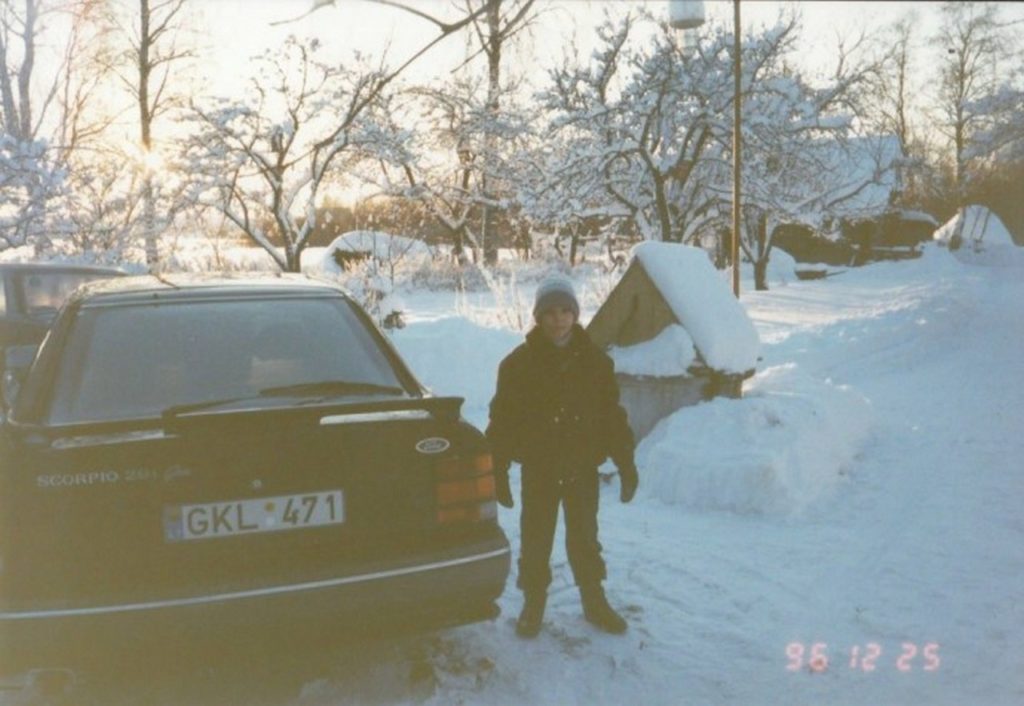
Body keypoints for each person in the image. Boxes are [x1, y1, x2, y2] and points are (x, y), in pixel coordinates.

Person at [487, 273, 639, 638]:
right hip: (539, 468)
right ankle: (534, 602)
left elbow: (611, 416)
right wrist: (498, 467)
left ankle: (594, 600)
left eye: (565, 311)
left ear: (575, 314)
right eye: (550, 312)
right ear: (539, 317)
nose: (558, 319)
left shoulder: (596, 363)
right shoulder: (517, 364)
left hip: (581, 466)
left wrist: (626, 461)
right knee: (536, 537)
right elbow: (503, 419)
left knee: (585, 536)